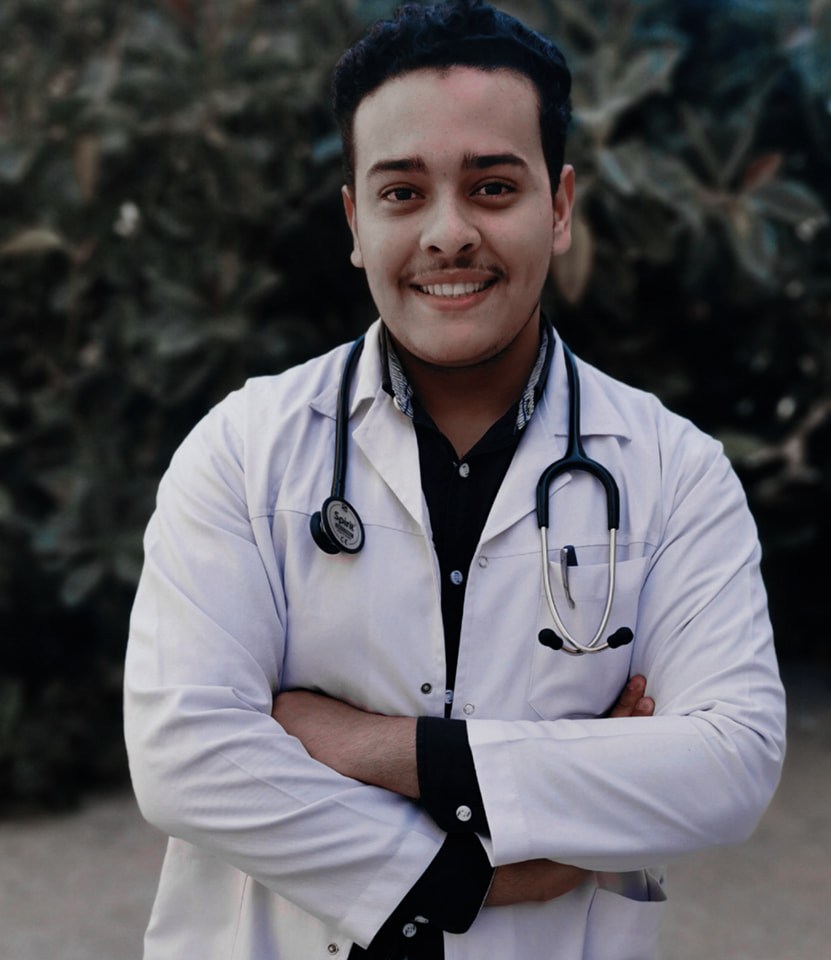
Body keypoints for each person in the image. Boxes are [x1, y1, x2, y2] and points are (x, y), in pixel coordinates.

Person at [123, 1, 786, 958]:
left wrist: (373, 747)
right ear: (355, 222)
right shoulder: (242, 449)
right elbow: (184, 758)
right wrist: (476, 872)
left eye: (492, 187)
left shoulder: (675, 471)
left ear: (558, 208)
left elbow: (729, 765)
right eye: (401, 192)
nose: (448, 233)